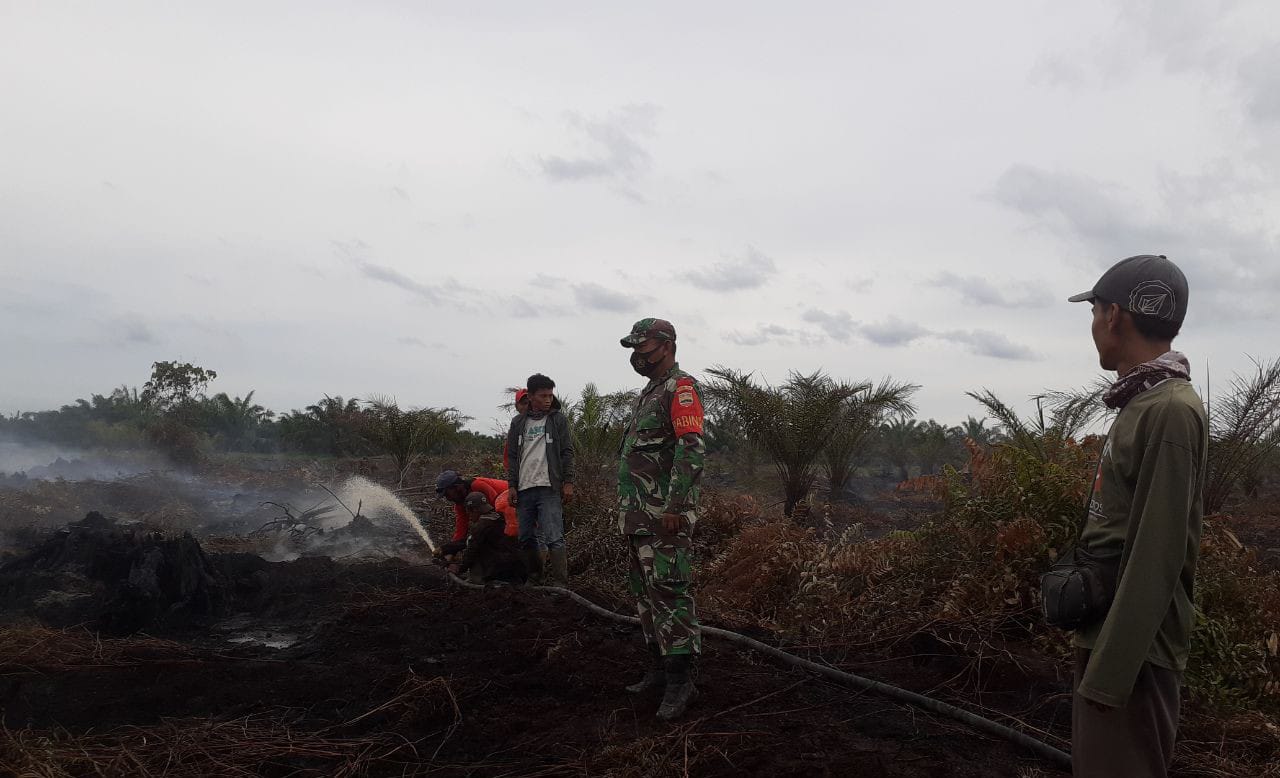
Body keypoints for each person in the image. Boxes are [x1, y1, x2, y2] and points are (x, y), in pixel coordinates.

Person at [1066, 255, 1207, 777]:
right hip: (1113, 643)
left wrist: (1110, 673)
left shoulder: (1169, 410)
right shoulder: (1144, 403)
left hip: (1133, 657)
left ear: (1114, 316)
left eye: (1094, 311)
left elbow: (1158, 551)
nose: (1094, 325)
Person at [616, 318, 705, 721]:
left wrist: (674, 507)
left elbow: (691, 450)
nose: (637, 355)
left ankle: (680, 682)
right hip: (638, 520)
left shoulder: (680, 389)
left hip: (664, 520)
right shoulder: (648, 393)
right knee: (646, 601)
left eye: (643, 346)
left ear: (665, 345)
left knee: (671, 597)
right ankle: (657, 670)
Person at [505, 374, 574, 586]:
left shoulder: (557, 420)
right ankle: (535, 578)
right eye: (543, 395)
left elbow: (566, 451)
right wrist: (512, 486)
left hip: (548, 487)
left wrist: (568, 481)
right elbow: (513, 456)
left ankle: (561, 584)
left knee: (554, 537)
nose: (548, 400)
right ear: (531, 396)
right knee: (526, 538)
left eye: (550, 395)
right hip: (525, 489)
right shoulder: (518, 423)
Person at [447, 492, 527, 584]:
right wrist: (447, 548)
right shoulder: (501, 516)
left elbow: (471, 549)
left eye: (468, 512)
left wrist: (459, 568)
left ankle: (479, 580)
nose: (469, 516)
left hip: (499, 572)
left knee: (474, 545)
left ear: (474, 510)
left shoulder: (482, 525)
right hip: (520, 568)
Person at [434, 470, 512, 559]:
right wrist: (451, 551)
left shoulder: (478, 485)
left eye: (447, 494)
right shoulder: (460, 503)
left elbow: (497, 510)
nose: (447, 498)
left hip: (514, 502)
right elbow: (461, 528)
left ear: (457, 487)